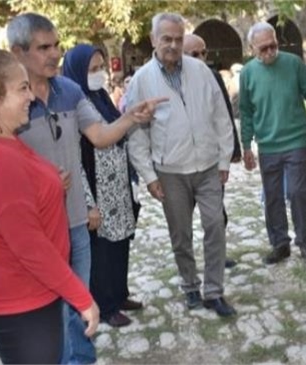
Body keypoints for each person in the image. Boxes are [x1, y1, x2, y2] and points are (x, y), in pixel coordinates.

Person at [7, 13, 164, 363]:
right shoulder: (6, 104)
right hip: (34, 228)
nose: (54, 54)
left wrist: (130, 118)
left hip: (75, 222)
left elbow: (100, 137)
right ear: (17, 52)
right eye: (43, 47)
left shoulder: (71, 91)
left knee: (79, 304)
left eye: (57, 45)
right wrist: (39, 182)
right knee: (49, 313)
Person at [0, 48, 99, 364]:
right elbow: (29, 246)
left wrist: (45, 183)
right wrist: (82, 298)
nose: (31, 95)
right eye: (22, 88)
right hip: (22, 302)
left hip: (20, 296)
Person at [126, 13, 236, 317]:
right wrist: (149, 176)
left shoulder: (201, 71)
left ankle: (214, 291)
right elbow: (136, 135)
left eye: (178, 38)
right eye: (167, 39)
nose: (173, 45)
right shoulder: (141, 81)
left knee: (215, 224)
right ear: (153, 40)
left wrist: (224, 157)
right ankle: (190, 285)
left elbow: (221, 117)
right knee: (181, 234)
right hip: (170, 171)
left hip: (208, 167)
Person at [239, 22, 306, 265]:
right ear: (252, 49)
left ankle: (304, 242)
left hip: (295, 140)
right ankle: (280, 244)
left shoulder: (293, 64)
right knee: (272, 196)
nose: (270, 52)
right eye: (263, 49)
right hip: (267, 144)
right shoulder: (248, 73)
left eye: (273, 46)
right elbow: (246, 111)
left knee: (297, 192)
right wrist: (246, 146)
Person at [62, 44, 144, 328]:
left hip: (117, 188)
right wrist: (87, 203)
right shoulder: (72, 106)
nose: (100, 74)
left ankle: (119, 295)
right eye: (93, 69)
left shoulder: (101, 98)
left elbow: (119, 132)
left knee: (120, 243)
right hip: (96, 190)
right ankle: (105, 305)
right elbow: (73, 158)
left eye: (101, 67)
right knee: (101, 252)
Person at [183, 33, 241, 269]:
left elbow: (225, 115)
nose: (200, 58)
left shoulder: (213, 76)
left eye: (203, 53)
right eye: (194, 54)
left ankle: (217, 254)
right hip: (182, 161)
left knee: (216, 213)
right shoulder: (172, 79)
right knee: (183, 218)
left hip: (211, 158)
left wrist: (232, 150)